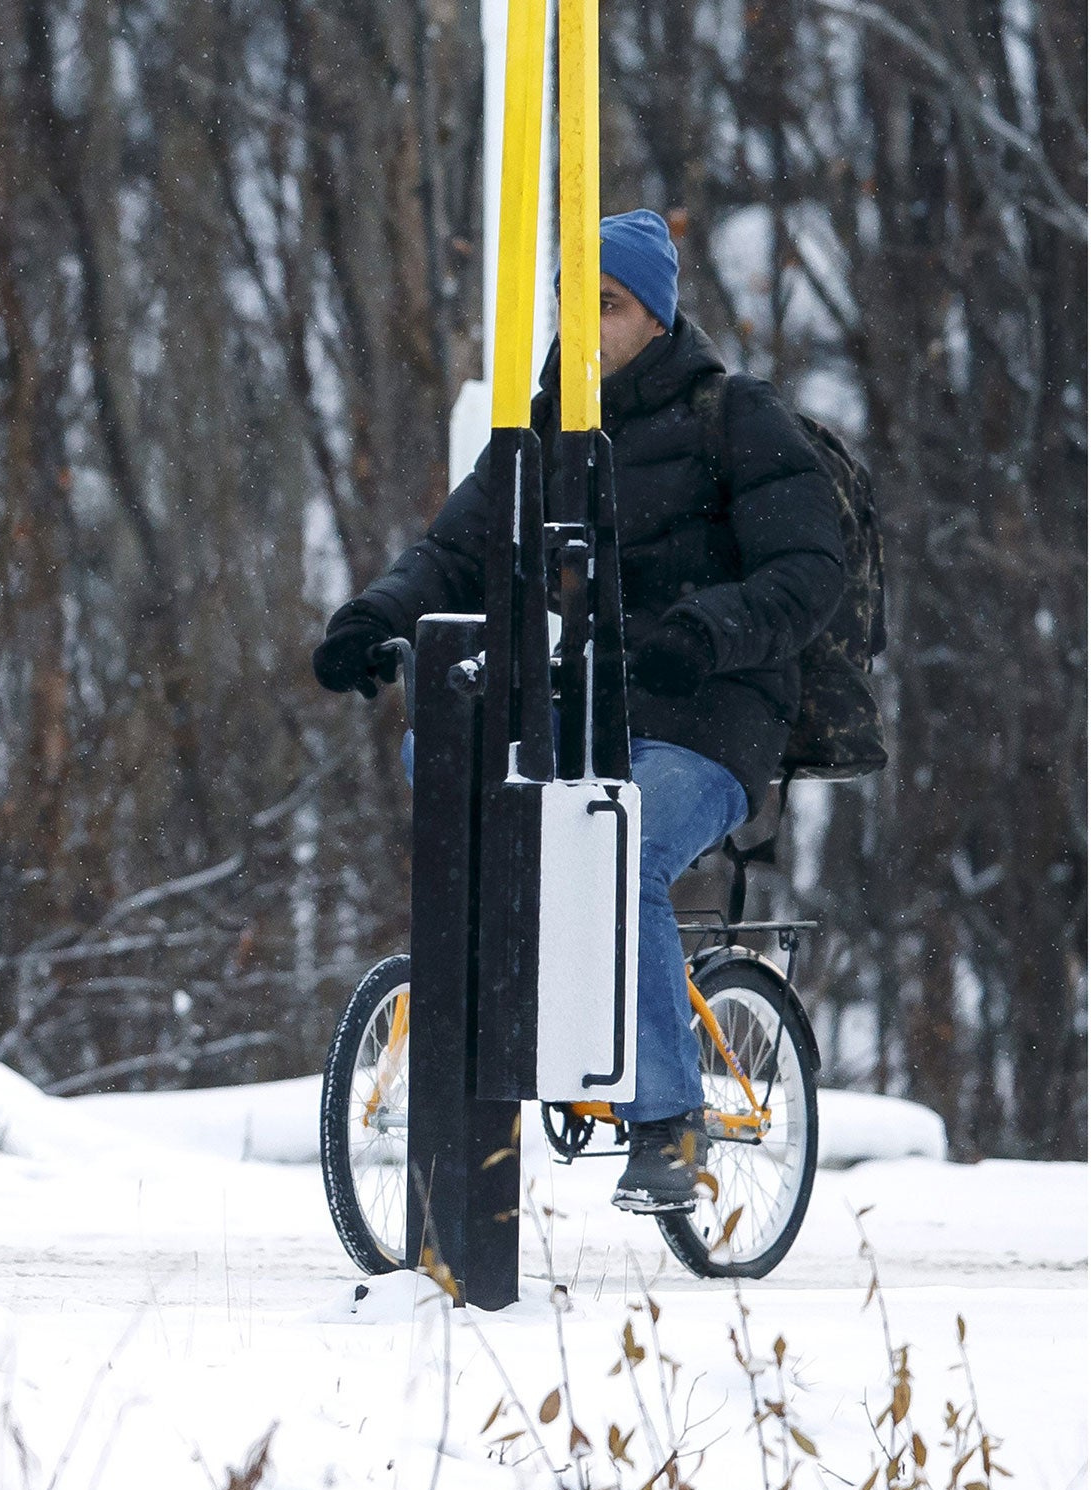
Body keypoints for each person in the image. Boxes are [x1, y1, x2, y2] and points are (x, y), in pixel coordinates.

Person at [311, 210, 844, 1213]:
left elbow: (808, 567)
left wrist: (706, 631)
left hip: (708, 719)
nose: (583, 322)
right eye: (571, 300)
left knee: (613, 841)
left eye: (607, 303)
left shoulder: (731, 417)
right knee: (445, 755)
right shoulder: (544, 427)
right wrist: (373, 615)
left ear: (654, 316)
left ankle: (665, 1121)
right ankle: (502, 1022)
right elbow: (454, 550)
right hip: (585, 704)